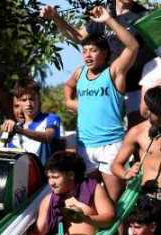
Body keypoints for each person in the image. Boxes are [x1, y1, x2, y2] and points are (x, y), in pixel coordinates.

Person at [59, 6, 139, 201]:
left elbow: (133, 47)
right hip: (85, 146)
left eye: (93, 51)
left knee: (114, 203)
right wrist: (69, 102)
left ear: (105, 53)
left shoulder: (114, 72)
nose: (87, 55)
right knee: (88, 201)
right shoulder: (80, 72)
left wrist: (108, 20)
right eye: (84, 51)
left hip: (110, 146)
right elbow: (68, 85)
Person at [44, 1, 151, 122]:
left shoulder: (143, 15)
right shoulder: (105, 12)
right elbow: (79, 36)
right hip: (109, 93)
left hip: (136, 90)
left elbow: (152, 52)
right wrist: (56, 18)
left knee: (136, 130)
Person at [112, 86, 161, 199]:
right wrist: (126, 173)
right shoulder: (138, 132)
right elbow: (115, 165)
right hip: (149, 196)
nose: (147, 113)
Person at [2, 79, 63, 165]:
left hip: (46, 172)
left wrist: (20, 130)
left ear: (39, 99)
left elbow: (47, 137)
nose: (28, 104)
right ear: (19, 102)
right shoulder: (16, 128)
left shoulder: (51, 118)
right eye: (24, 100)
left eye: (32, 99)